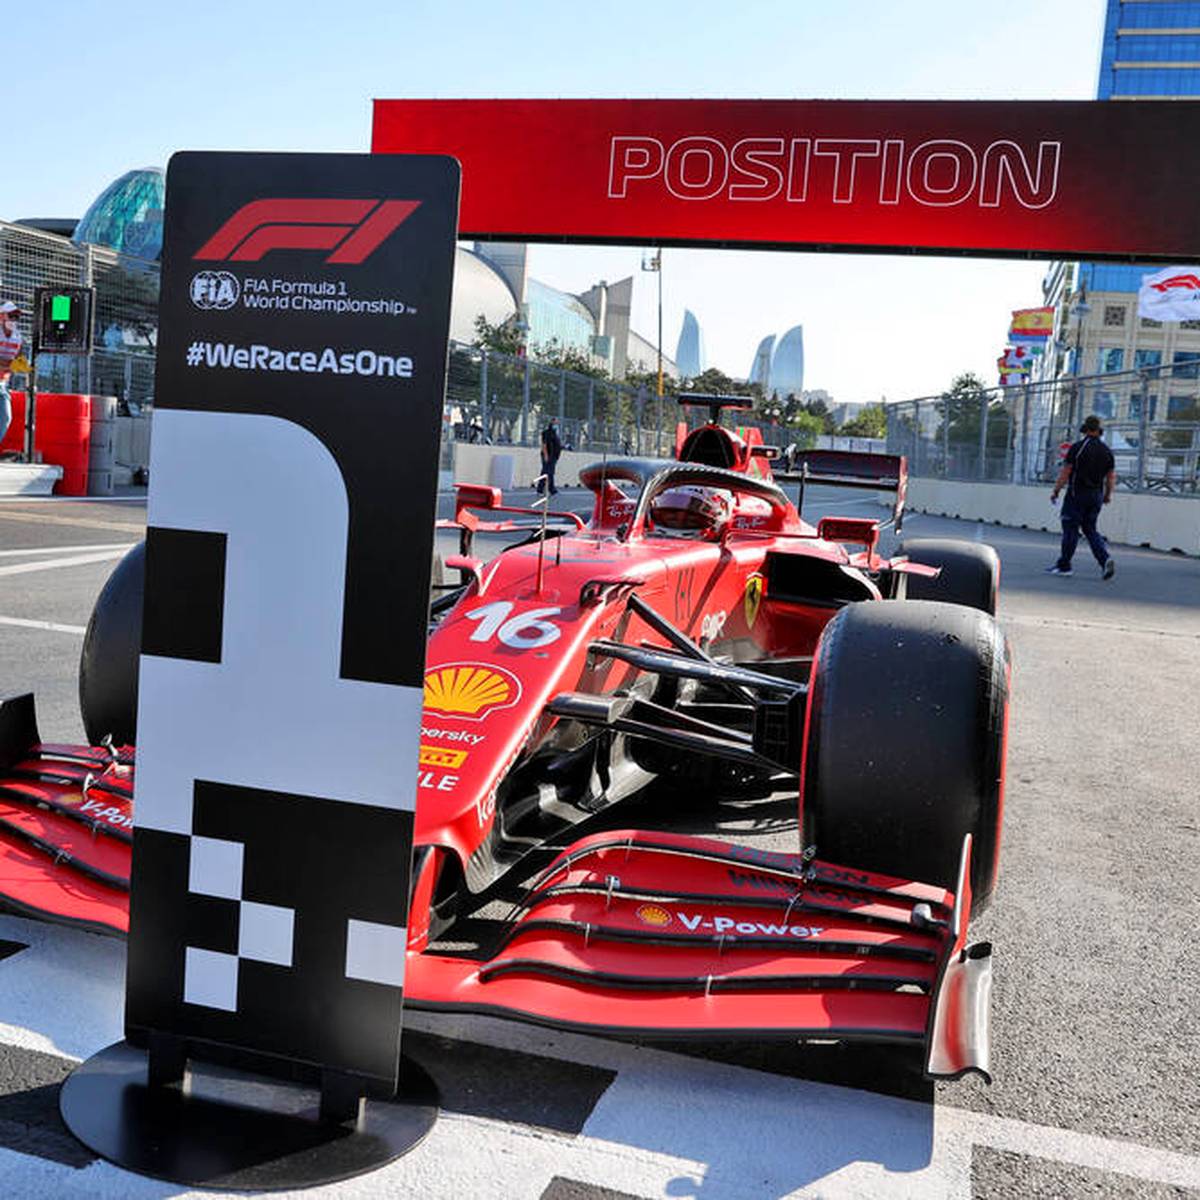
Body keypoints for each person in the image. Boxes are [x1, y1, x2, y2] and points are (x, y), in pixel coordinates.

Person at [1047, 414, 1116, 579]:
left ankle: (1064, 565)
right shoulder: (1107, 451)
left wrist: (1056, 490)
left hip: (1077, 494)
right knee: (1090, 529)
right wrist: (1107, 495)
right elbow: (1111, 477)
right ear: (1099, 431)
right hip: (1096, 495)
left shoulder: (1077, 448)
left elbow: (1066, 472)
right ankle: (1105, 559)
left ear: (1085, 430)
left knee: (1070, 528)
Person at [0, 301, 22, 447]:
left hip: (2, 384)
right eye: (11, 315)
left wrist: (11, 365)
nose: (14, 320)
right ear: (2, 316)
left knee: (6, 418)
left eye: (16, 317)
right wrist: (10, 365)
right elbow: (13, 364)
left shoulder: (18, 337)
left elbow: (19, 362)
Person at [538, 417, 562, 496]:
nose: (556, 425)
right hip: (548, 455)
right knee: (547, 472)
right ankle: (543, 489)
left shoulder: (555, 434)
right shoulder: (546, 433)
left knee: (549, 472)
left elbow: (557, 445)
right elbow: (544, 444)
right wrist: (546, 455)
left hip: (554, 456)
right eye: (555, 423)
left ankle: (549, 489)